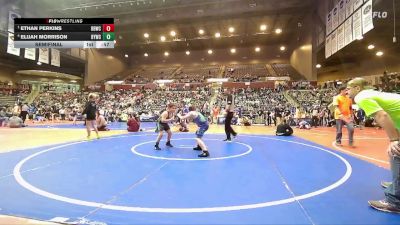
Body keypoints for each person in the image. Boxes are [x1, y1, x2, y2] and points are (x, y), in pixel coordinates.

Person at [347, 77, 400, 213]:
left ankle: (395, 201)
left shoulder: (361, 97)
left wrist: (394, 140)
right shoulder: (372, 94)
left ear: (357, 88)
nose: (347, 91)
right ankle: (396, 185)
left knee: (396, 152)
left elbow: (382, 116)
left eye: (349, 88)